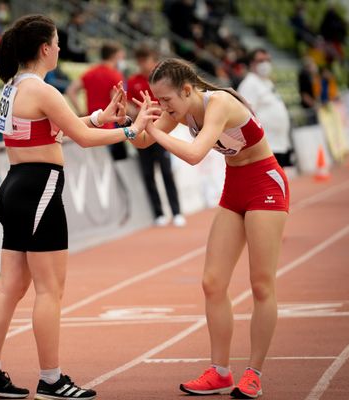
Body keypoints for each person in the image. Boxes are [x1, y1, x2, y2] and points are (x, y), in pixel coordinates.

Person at [0, 14, 153, 400]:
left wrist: (103, 117)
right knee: (49, 290)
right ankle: (51, 380)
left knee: (11, 287)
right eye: (57, 43)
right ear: (44, 49)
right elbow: (82, 138)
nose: (60, 49)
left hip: (14, 188)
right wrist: (131, 130)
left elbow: (56, 128)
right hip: (39, 188)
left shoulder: (13, 86)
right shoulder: (43, 90)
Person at [131, 58, 289, 399]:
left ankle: (254, 373)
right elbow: (141, 142)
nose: (163, 107)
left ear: (187, 90)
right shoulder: (180, 108)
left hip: (265, 183)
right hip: (235, 186)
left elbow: (194, 154)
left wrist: (155, 130)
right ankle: (219, 372)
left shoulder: (218, 103)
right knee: (212, 282)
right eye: (158, 101)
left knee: (261, 284)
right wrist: (134, 123)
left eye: (167, 100)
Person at [127, 43, 186, 227]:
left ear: (153, 61)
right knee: (148, 174)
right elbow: (129, 107)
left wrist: (158, 110)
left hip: (161, 130)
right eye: (140, 61)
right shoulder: (134, 80)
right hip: (143, 131)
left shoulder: (161, 80)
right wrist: (138, 111)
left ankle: (176, 212)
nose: (143, 65)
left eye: (146, 60)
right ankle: (158, 214)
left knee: (167, 172)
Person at [66, 41, 127, 159]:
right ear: (114, 56)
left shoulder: (91, 72)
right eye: (121, 56)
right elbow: (116, 102)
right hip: (107, 127)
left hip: (90, 124)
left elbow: (71, 90)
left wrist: (81, 111)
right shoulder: (115, 75)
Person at [237, 49, 293, 168]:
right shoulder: (249, 84)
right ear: (252, 63)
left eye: (268, 60)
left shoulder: (267, 82)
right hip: (266, 145)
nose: (265, 64)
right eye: (261, 61)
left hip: (279, 142)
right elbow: (245, 115)